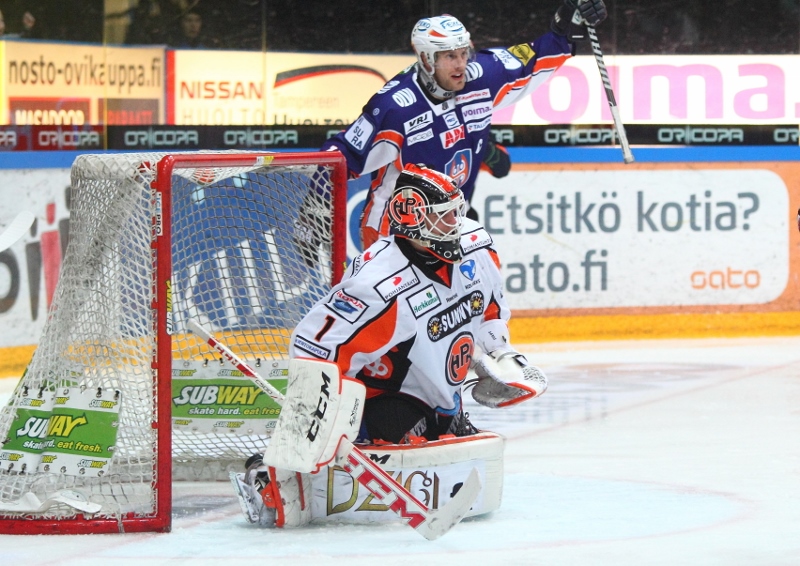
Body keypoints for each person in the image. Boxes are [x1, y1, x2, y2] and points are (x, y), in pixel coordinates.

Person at [233, 164, 548, 528]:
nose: (456, 225)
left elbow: (490, 306)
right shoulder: (380, 285)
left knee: (468, 465)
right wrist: (324, 421)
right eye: (444, 218)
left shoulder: (475, 245)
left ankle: (441, 421)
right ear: (411, 218)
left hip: (444, 395)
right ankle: (268, 470)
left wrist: (498, 352)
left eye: (456, 214)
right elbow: (313, 346)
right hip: (389, 400)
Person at [309, 0, 607, 250]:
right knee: (404, 319)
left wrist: (568, 26)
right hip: (394, 231)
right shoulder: (395, 107)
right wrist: (315, 213)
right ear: (426, 59)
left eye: (463, 53)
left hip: (450, 226)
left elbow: (532, 58)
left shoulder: (483, 76)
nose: (461, 63)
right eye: (450, 56)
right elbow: (340, 157)